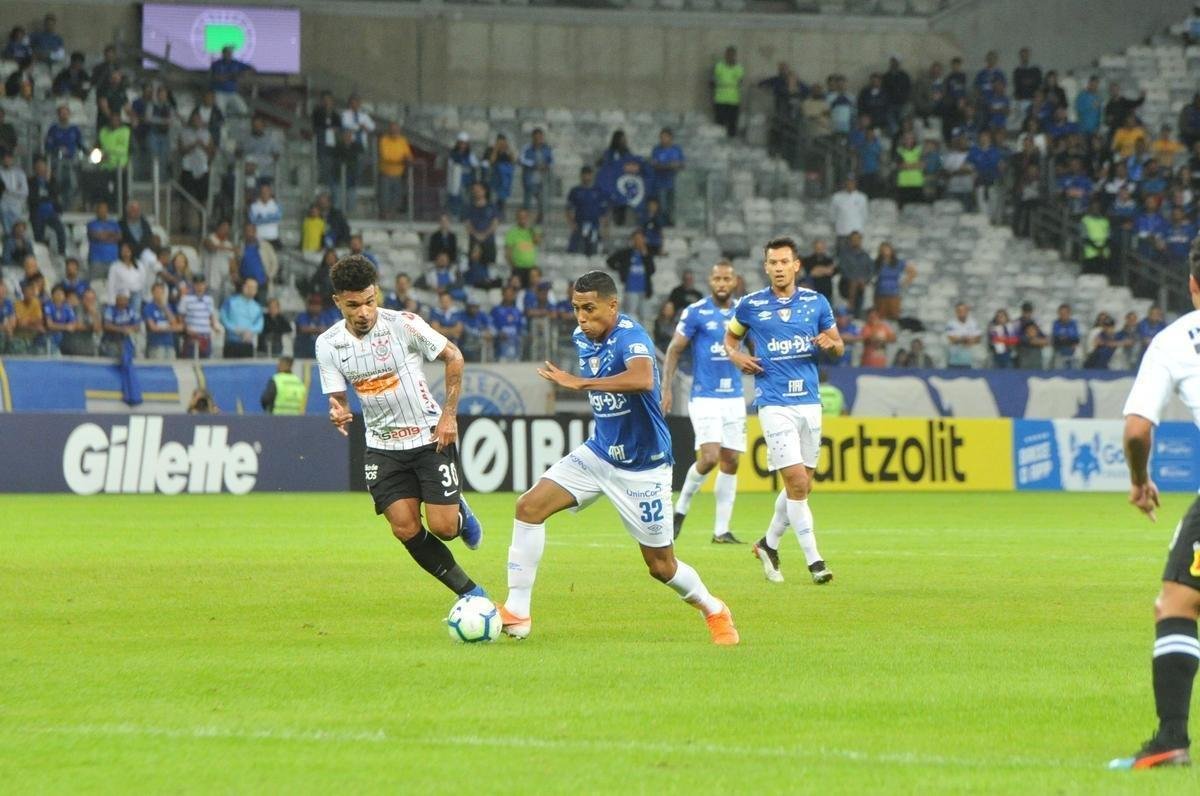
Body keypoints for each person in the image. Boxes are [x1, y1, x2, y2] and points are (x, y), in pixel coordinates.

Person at [496, 269, 738, 645]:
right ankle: (517, 613)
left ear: (613, 305)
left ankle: (714, 609)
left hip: (643, 467)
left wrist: (581, 383)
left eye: (589, 309)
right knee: (528, 507)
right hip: (599, 454)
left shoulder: (631, 337)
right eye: (576, 309)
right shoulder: (582, 336)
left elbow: (642, 379)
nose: (581, 318)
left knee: (661, 567)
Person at [318, 254, 487, 604]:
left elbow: (453, 356)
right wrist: (338, 411)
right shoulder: (328, 344)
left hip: (428, 436)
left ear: (376, 293)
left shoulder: (403, 324)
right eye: (353, 305)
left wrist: (449, 415)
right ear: (338, 302)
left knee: (444, 528)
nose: (364, 312)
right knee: (405, 528)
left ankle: (460, 511)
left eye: (369, 301)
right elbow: (338, 398)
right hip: (382, 448)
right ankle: (471, 594)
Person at [1109, 238, 1200, 770]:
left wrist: (1140, 481)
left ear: (1191, 285)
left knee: (1177, 605)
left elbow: (1138, 430)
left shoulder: (1174, 341)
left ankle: (1171, 738)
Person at [724, 237, 843, 585]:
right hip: (774, 402)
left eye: (783, 262)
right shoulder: (750, 305)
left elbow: (839, 345)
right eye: (772, 262)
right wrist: (737, 357)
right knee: (794, 481)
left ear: (796, 266)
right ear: (766, 267)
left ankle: (768, 544)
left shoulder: (816, 302)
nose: (778, 268)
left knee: (802, 486)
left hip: (809, 401)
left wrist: (829, 344)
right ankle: (815, 561)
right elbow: (730, 340)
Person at [661, 260, 745, 545]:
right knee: (709, 458)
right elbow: (674, 350)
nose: (722, 283)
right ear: (710, 281)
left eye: (727, 279)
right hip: (706, 396)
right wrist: (667, 388)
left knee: (731, 460)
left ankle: (722, 530)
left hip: (734, 396)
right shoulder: (696, 312)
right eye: (717, 278)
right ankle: (680, 509)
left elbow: (756, 349)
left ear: (734, 282)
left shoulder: (743, 312)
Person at [605, 229, 655, 325]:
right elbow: (610, 261)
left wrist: (645, 255)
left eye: (640, 239)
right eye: (636, 239)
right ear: (632, 240)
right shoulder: (626, 253)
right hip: (631, 288)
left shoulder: (647, 255)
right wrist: (620, 269)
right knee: (631, 316)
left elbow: (652, 270)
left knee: (644, 317)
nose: (639, 241)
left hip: (644, 290)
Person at [566, 166, 607, 256]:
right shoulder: (575, 191)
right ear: (581, 176)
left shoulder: (598, 191)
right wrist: (571, 223)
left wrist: (603, 227)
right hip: (579, 224)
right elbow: (569, 209)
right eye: (584, 175)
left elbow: (603, 211)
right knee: (575, 250)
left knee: (593, 249)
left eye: (588, 175)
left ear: (592, 176)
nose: (586, 177)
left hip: (594, 224)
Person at [219, 278, 263, 358]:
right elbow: (223, 317)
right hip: (231, 343)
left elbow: (259, 324)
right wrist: (234, 329)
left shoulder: (257, 307)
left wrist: (250, 332)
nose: (252, 290)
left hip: (247, 343)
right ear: (244, 287)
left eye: (254, 288)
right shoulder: (230, 301)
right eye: (249, 287)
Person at [872, 242, 916, 320]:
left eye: (887, 249)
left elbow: (913, 272)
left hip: (893, 294)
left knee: (894, 316)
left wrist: (904, 283)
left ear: (891, 250)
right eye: (883, 250)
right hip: (880, 294)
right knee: (880, 317)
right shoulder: (877, 263)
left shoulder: (897, 263)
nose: (885, 252)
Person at [649, 128, 684, 224]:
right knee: (663, 206)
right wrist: (669, 165)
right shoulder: (656, 150)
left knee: (672, 206)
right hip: (661, 183)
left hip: (674, 183)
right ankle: (664, 224)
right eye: (661, 137)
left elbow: (682, 164)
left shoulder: (677, 149)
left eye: (665, 137)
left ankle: (670, 223)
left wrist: (673, 165)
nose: (662, 139)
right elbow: (654, 164)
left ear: (670, 138)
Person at [519, 128, 553, 224]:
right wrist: (533, 164)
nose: (538, 139)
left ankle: (539, 221)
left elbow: (551, 160)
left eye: (540, 137)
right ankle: (524, 221)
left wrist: (547, 166)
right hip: (529, 179)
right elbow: (521, 159)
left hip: (542, 179)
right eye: (536, 137)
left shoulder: (547, 148)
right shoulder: (527, 148)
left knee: (542, 203)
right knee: (527, 203)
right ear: (533, 138)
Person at [830, 177, 868, 257]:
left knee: (856, 255)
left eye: (852, 182)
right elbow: (832, 214)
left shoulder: (862, 197)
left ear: (855, 183)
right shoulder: (837, 197)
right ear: (845, 183)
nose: (850, 184)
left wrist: (860, 231)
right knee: (841, 255)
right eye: (848, 182)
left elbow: (864, 215)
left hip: (856, 233)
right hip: (842, 232)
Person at [209, 46, 252, 116]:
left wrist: (242, 74)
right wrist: (231, 76)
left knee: (243, 110)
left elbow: (250, 68)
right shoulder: (216, 64)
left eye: (229, 53)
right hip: (220, 92)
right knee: (220, 112)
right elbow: (217, 77)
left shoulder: (236, 63)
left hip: (232, 92)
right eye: (226, 53)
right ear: (223, 53)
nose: (228, 54)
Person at [503, 207, 541, 286]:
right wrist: (514, 267)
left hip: (531, 269)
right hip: (518, 268)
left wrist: (532, 229)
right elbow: (508, 253)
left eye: (524, 217)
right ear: (517, 218)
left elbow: (537, 241)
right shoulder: (512, 232)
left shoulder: (532, 231)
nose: (522, 219)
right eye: (520, 217)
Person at [143, 281, 180, 359]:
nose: (159, 294)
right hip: (156, 345)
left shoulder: (168, 306)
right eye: (157, 292)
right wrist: (170, 328)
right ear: (152, 293)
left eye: (161, 292)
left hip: (169, 344)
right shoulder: (149, 307)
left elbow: (174, 323)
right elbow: (153, 327)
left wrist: (164, 307)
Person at [98, 289, 138, 358]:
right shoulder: (110, 310)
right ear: (116, 300)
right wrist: (121, 329)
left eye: (125, 299)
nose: (123, 302)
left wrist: (130, 329)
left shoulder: (130, 310)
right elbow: (107, 325)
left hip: (125, 341)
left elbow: (137, 325)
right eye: (120, 299)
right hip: (111, 341)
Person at [945, 302, 981, 368]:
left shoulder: (973, 322)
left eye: (964, 310)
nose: (961, 312)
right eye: (959, 310)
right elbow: (951, 338)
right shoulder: (951, 323)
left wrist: (963, 339)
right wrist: (965, 339)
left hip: (970, 351)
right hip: (955, 352)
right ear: (956, 312)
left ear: (967, 311)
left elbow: (978, 338)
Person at [249, 182, 282, 249]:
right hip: (259, 238)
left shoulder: (276, 205)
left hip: (273, 238)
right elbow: (253, 221)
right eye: (262, 191)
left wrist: (261, 218)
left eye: (266, 191)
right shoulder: (254, 206)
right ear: (260, 193)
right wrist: (269, 216)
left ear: (270, 192)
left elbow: (277, 218)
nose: (264, 193)